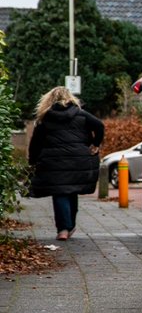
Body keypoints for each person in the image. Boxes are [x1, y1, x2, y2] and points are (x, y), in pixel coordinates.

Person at [27, 86, 105, 240]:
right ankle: (70, 226)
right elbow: (99, 126)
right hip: (78, 160)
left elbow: (35, 143)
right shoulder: (81, 114)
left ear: (49, 100)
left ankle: (63, 229)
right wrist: (95, 144)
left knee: (60, 192)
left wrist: (33, 161)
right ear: (70, 98)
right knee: (71, 191)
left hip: (54, 161)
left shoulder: (45, 118)